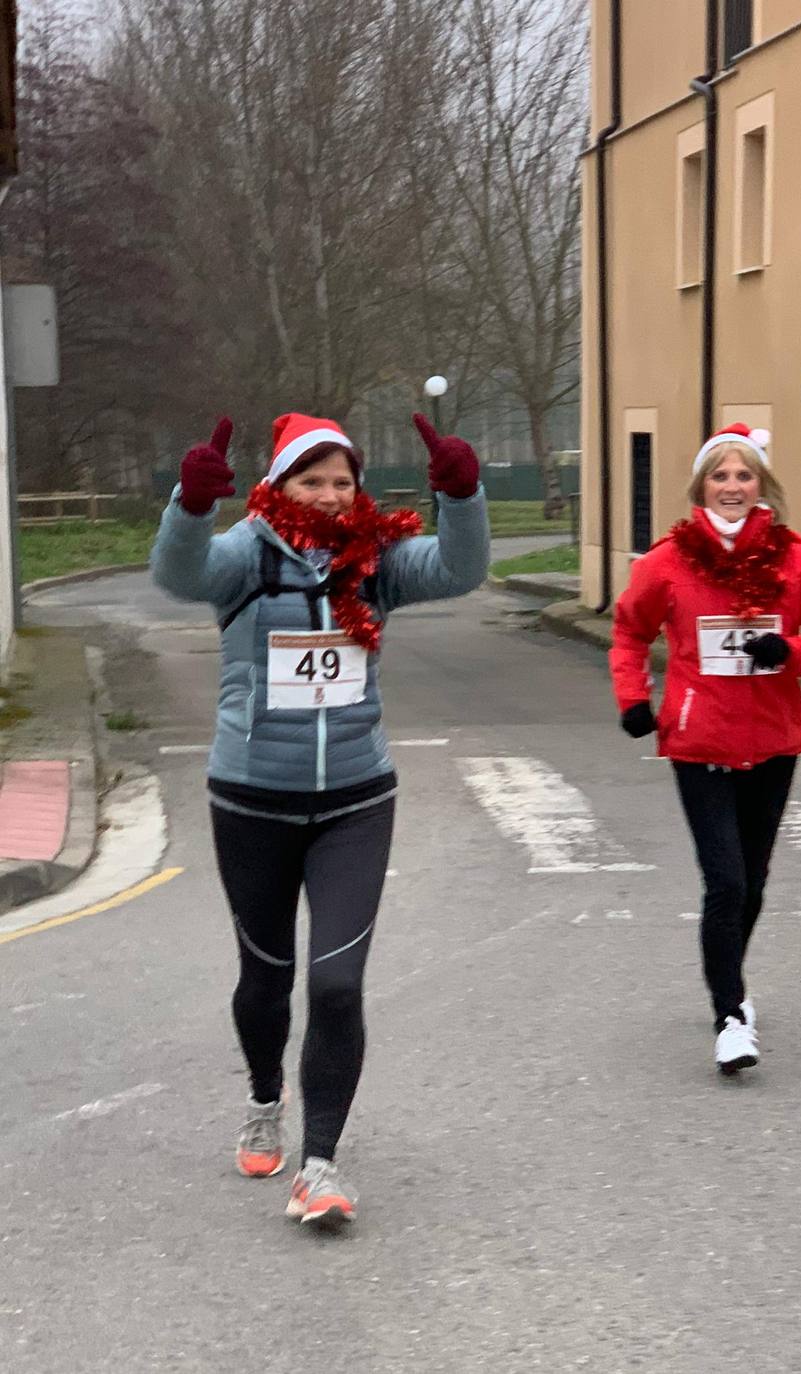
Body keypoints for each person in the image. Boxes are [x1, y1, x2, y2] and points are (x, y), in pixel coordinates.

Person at [151, 409, 489, 1229]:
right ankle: (265, 1096)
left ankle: (320, 1165)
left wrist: (465, 494)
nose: (334, 496)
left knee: (336, 984)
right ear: (281, 485)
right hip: (252, 797)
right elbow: (177, 574)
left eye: (345, 481)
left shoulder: (376, 561)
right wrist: (189, 506)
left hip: (355, 798)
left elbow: (459, 568)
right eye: (315, 480)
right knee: (267, 978)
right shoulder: (243, 557)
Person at [609, 423, 801, 1075]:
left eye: (743, 474)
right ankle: (728, 1017)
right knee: (723, 881)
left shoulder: (793, 558)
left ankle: (732, 984)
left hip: (773, 744)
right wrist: (634, 699)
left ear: (761, 485)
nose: (732, 486)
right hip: (699, 743)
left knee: (752, 885)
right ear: (701, 487)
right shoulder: (667, 560)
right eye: (720, 475)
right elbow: (629, 633)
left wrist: (791, 651)